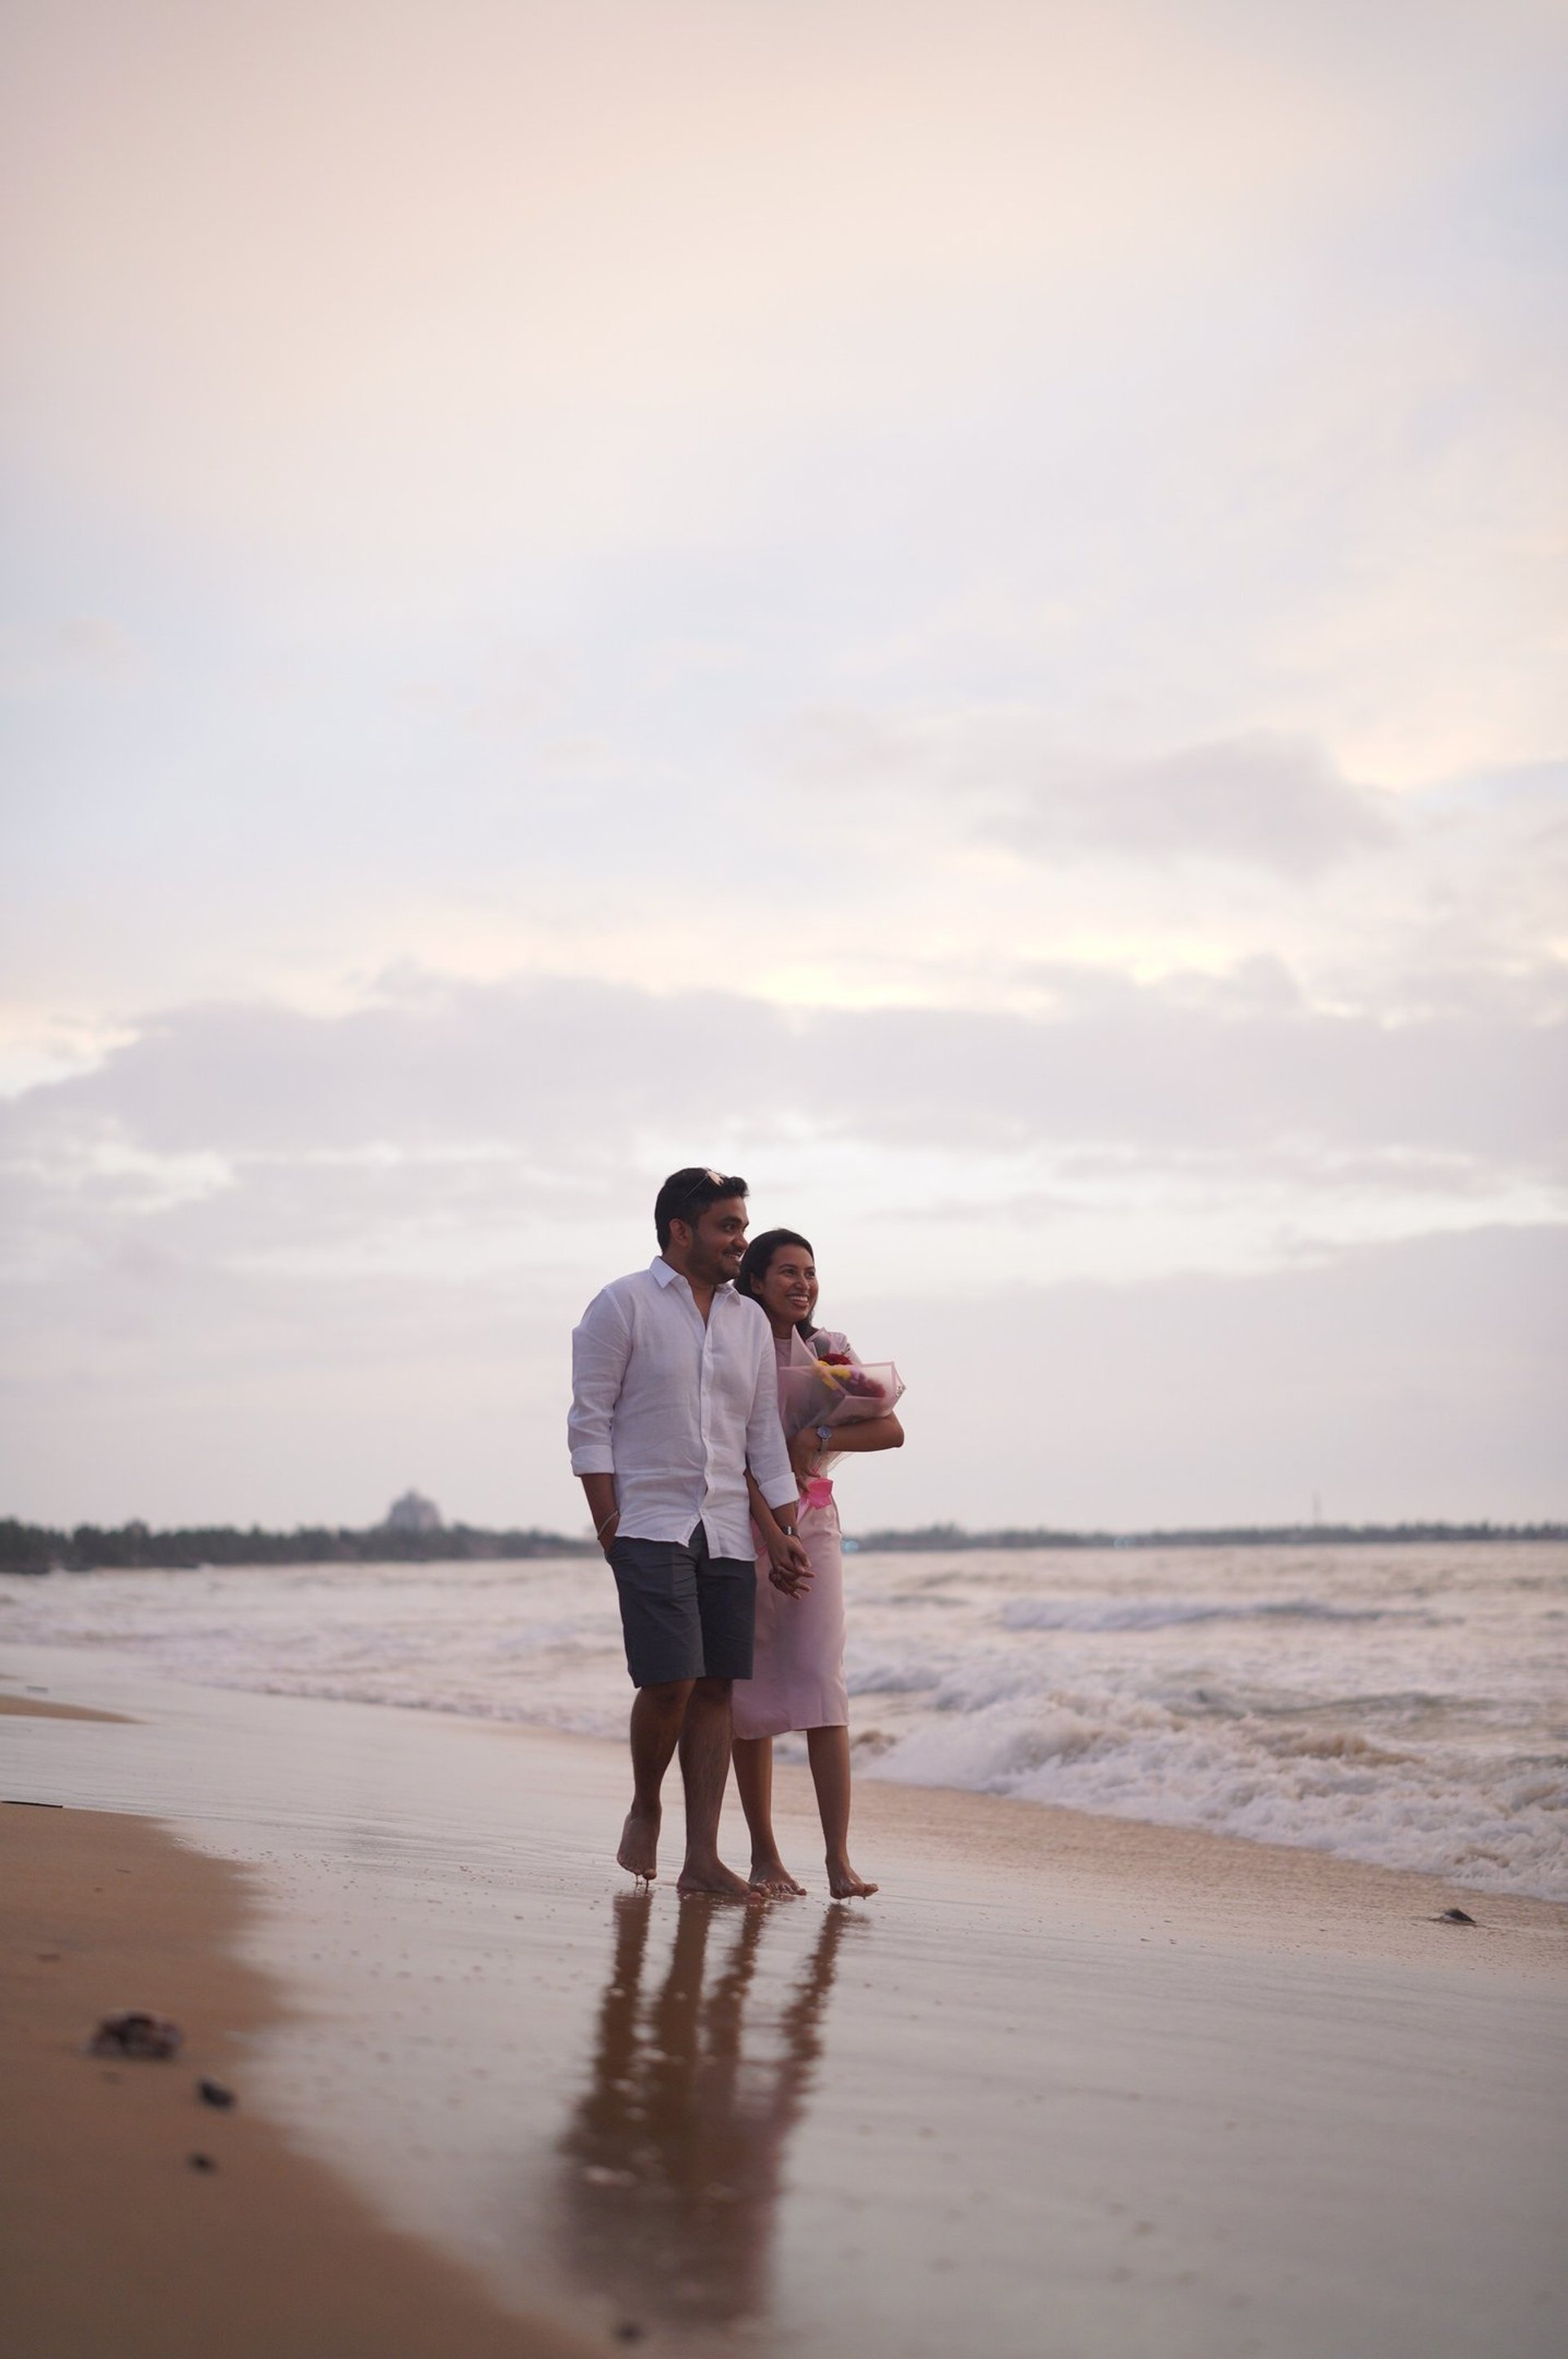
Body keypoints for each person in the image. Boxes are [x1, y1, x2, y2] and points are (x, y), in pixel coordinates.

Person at [569, 1169, 810, 1898]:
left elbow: (762, 1434)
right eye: (727, 1227)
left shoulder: (746, 1322)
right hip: (648, 1521)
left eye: (742, 1225)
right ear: (681, 1230)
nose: (741, 1240)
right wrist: (609, 1524)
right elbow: (589, 1421)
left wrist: (786, 1526)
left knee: (715, 1690)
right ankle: (647, 1804)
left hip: (729, 1529)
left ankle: (701, 1857)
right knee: (669, 1679)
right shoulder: (621, 1305)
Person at [732, 1228, 903, 1898]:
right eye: (786, 1272)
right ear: (753, 1280)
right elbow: (728, 1448)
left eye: (810, 1272)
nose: (802, 1284)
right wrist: (770, 1531)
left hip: (815, 1520)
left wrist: (822, 1434)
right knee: (745, 1693)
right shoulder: (732, 1346)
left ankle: (838, 1860)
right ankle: (764, 1856)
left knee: (821, 1683)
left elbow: (891, 1428)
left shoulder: (830, 1351)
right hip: (737, 1523)